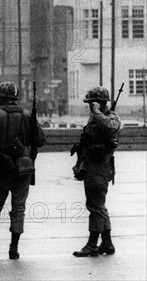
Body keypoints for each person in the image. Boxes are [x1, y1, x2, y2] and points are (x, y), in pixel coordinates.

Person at [0, 81, 46, 261]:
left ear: (1, 97)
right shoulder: (27, 115)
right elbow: (40, 139)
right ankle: (14, 250)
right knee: (19, 208)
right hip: (24, 167)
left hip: (1, 169)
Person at [71, 86, 120, 257]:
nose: (89, 106)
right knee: (99, 206)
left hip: (100, 167)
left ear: (98, 103)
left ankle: (92, 244)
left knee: (95, 207)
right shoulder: (96, 118)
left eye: (91, 103)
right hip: (91, 166)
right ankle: (107, 243)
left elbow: (110, 127)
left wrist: (98, 113)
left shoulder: (110, 117)